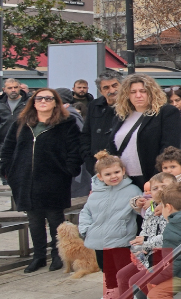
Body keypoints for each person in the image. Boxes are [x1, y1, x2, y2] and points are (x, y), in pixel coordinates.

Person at [0, 88, 82, 273]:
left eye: (48, 98)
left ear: (56, 102)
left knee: (55, 218)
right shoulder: (21, 122)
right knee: (34, 219)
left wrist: (68, 170)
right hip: (25, 179)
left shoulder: (66, 123)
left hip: (54, 178)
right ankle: (38, 256)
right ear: (33, 102)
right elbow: (8, 148)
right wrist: (7, 170)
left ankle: (57, 255)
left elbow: (74, 150)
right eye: (39, 98)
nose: (43, 101)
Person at [78, 151, 143, 299]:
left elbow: (139, 212)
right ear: (100, 177)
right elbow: (86, 211)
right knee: (107, 267)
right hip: (99, 237)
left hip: (121, 237)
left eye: (116, 172)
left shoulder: (132, 190)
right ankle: (111, 290)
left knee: (124, 266)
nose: (113, 176)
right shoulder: (96, 193)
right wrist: (85, 229)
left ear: (123, 171)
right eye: (108, 174)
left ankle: (130, 291)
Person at [118, 171, 177, 299]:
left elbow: (168, 238)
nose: (159, 190)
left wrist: (145, 243)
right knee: (122, 275)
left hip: (165, 255)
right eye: (155, 188)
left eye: (164, 186)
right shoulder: (151, 208)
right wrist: (138, 248)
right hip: (150, 252)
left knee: (136, 280)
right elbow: (145, 231)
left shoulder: (175, 208)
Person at [108, 75, 181, 189]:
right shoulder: (121, 116)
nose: (138, 95)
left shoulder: (166, 112)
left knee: (151, 207)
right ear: (127, 95)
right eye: (133, 92)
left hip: (151, 177)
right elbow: (112, 148)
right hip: (123, 179)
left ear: (151, 93)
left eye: (143, 91)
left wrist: (157, 178)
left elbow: (169, 147)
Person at [82, 70, 122, 174]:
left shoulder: (130, 106)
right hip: (96, 163)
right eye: (106, 87)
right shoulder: (94, 105)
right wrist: (88, 160)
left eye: (115, 85)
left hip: (121, 163)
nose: (112, 90)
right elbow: (86, 133)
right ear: (100, 91)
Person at [0, 78, 27, 146]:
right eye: (10, 88)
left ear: (20, 87)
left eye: (16, 87)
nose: (13, 90)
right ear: (4, 89)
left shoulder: (29, 102)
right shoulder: (1, 103)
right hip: (3, 142)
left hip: (23, 142)